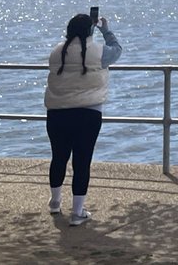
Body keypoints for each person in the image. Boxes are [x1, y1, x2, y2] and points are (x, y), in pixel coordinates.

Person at [44, 12, 121, 226]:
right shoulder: (99, 52)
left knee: (58, 157)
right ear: (90, 31)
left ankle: (55, 202)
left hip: (57, 111)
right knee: (82, 161)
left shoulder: (56, 51)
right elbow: (117, 51)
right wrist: (105, 30)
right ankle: (77, 212)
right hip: (88, 112)